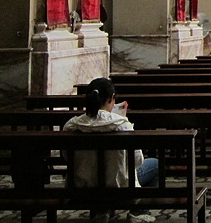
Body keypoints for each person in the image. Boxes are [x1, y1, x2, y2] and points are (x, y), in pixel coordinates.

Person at [63, 78, 157, 223]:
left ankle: (101, 211)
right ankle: (138, 212)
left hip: (82, 186)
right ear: (111, 98)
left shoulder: (72, 125)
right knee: (155, 165)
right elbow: (137, 161)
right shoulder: (121, 124)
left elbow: (67, 158)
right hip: (120, 186)